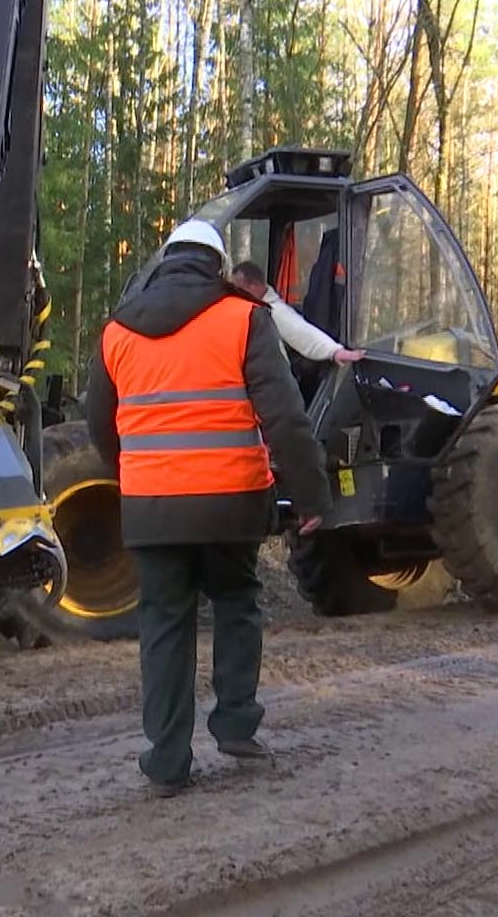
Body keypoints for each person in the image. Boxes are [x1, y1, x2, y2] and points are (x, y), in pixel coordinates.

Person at [85, 219, 333, 798]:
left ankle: (168, 761)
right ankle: (236, 724)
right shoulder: (244, 317)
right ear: (218, 266)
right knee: (237, 602)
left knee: (164, 626)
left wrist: (136, 477)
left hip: (152, 507)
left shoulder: (117, 331)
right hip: (230, 503)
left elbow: (100, 423)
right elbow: (284, 416)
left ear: (163, 262)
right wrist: (312, 495)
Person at [230, 261, 366, 365]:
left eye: (239, 289)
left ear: (255, 286)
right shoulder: (250, 309)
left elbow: (302, 332)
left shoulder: (274, 312)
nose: (235, 294)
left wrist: (334, 351)